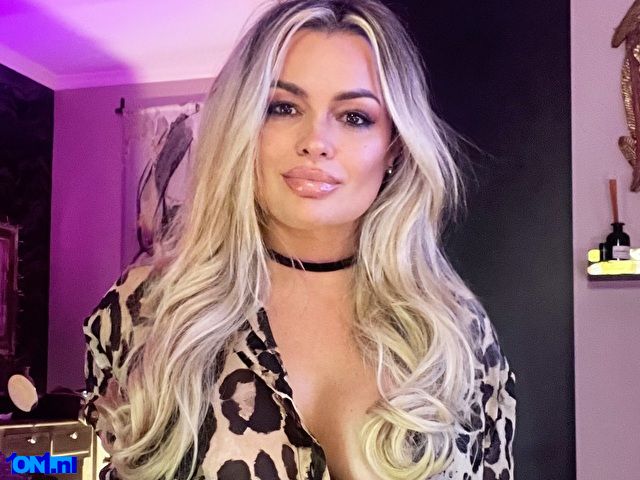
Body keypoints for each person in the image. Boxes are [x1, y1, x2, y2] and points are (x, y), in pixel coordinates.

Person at [82, 1, 516, 479]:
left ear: (394, 145)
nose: (316, 140)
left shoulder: (454, 333)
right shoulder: (146, 311)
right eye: (283, 108)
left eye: (355, 117)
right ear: (244, 127)